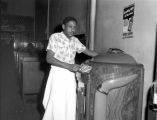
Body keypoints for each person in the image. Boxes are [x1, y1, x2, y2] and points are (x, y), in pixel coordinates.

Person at [42, 16, 98, 120]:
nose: (73, 29)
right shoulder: (55, 37)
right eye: (70, 26)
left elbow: (89, 52)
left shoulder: (75, 40)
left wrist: (103, 56)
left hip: (70, 75)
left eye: (74, 27)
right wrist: (69, 66)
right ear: (63, 26)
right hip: (57, 74)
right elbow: (49, 58)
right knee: (58, 102)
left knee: (70, 101)